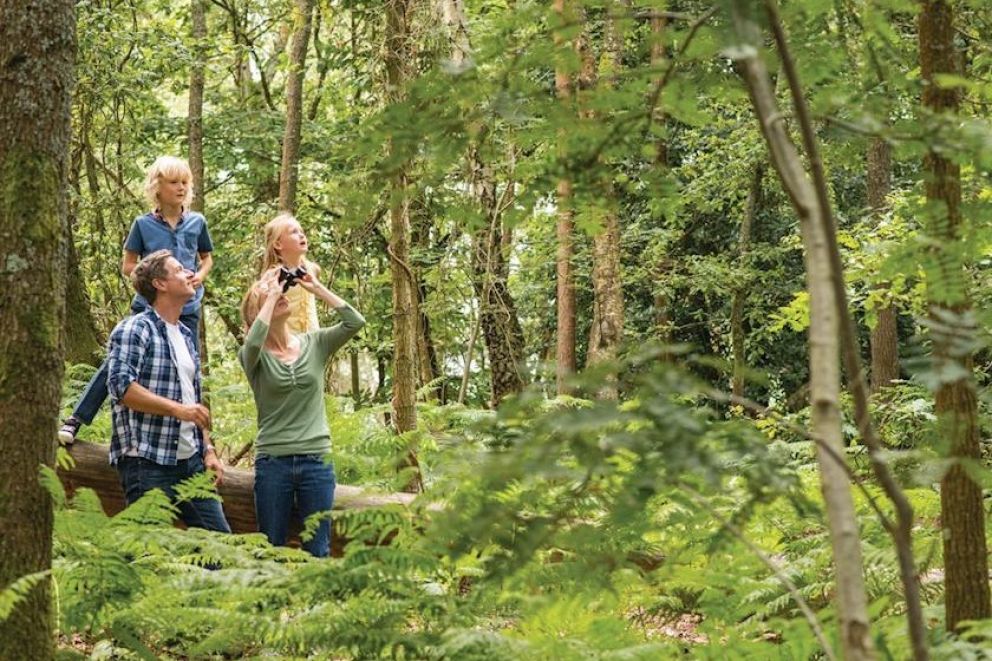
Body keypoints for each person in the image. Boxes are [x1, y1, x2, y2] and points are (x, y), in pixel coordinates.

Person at [59, 156, 214, 444]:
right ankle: (76, 419)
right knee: (117, 362)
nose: (180, 188)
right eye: (173, 182)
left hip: (188, 308)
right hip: (148, 307)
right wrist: (152, 282)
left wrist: (199, 277)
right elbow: (129, 265)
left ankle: (196, 440)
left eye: (185, 182)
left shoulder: (197, 222)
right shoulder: (143, 225)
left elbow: (207, 259)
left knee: (186, 369)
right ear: (158, 187)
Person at [239, 252, 366, 557]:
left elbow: (354, 322)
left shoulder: (314, 343)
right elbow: (253, 342)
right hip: (274, 463)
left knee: (318, 549)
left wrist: (315, 287)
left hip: (316, 462)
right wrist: (269, 296)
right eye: (268, 297)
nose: (281, 295)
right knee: (271, 550)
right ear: (257, 314)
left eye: (281, 292)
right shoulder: (252, 358)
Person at [107, 249, 230, 533]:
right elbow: (120, 387)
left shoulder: (186, 335)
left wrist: (208, 450)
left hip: (191, 463)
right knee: (144, 553)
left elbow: (192, 398)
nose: (190, 273)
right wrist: (178, 410)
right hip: (147, 460)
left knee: (221, 549)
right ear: (160, 284)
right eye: (178, 270)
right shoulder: (134, 329)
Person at [260, 212, 321, 334]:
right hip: (289, 343)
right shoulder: (273, 276)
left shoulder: (313, 269)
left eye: (301, 231)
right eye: (294, 232)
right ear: (278, 244)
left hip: (313, 341)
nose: (301, 235)